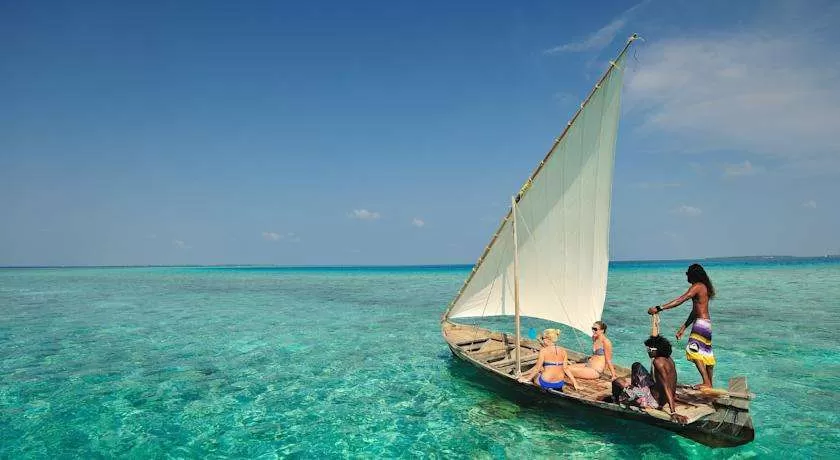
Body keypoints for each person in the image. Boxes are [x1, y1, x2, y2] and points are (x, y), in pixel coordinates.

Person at [647, 263, 716, 389]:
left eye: (687, 274)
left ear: (693, 275)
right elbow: (695, 311)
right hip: (706, 324)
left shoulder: (697, 286)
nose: (686, 276)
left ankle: (706, 382)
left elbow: (681, 299)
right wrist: (683, 327)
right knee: (706, 353)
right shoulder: (704, 287)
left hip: (700, 324)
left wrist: (659, 308)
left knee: (693, 350)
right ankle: (710, 384)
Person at [612, 335, 687, 424]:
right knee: (636, 365)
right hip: (654, 392)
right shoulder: (669, 359)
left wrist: (673, 412)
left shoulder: (658, 362)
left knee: (617, 381)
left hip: (652, 401)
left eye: (649, 349)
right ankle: (635, 391)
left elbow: (667, 386)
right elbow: (671, 381)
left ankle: (616, 400)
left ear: (657, 350)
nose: (648, 352)